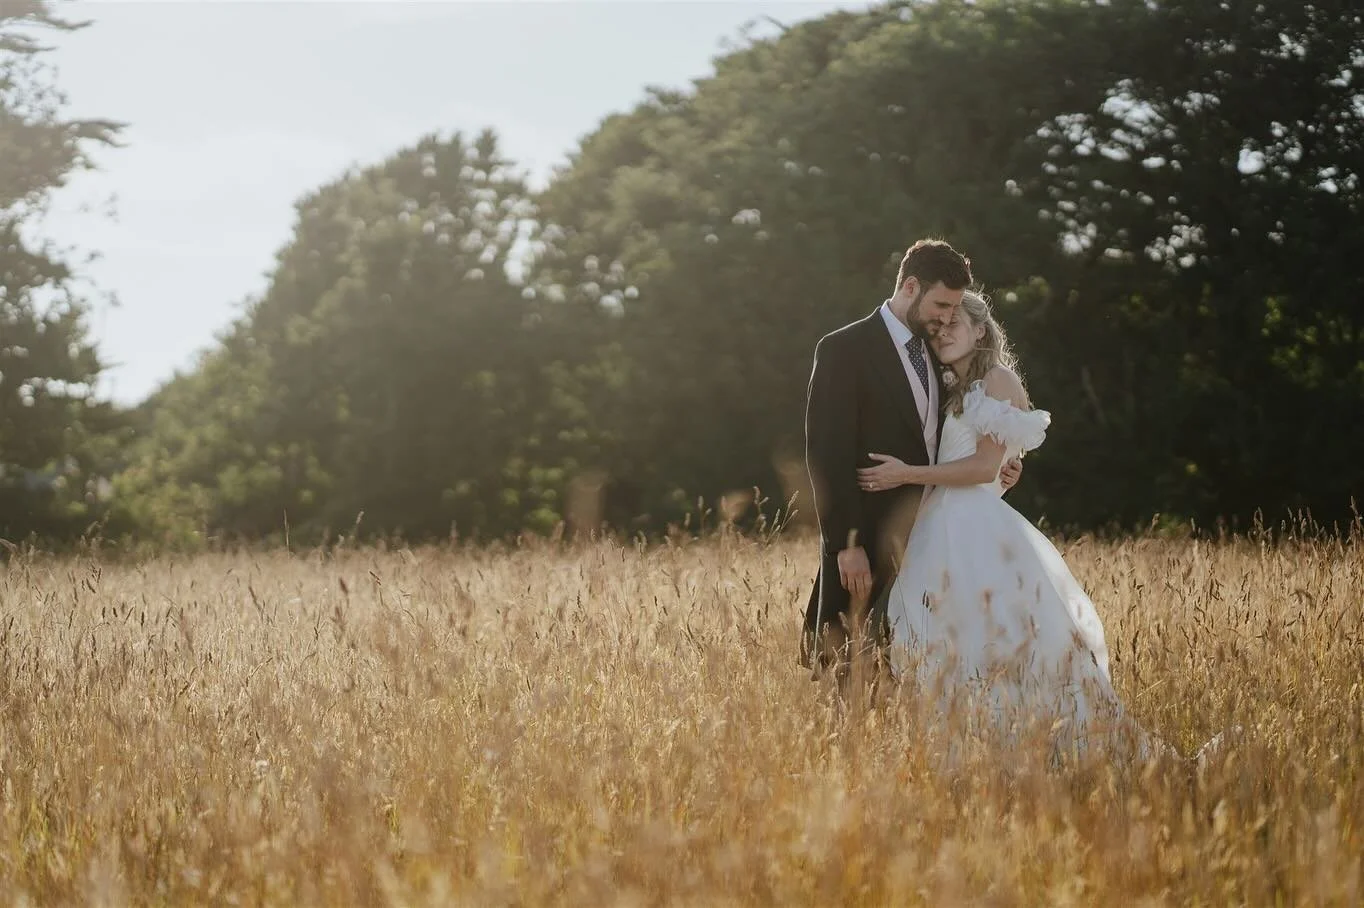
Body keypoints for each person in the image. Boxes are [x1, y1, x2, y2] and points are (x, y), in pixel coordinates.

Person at [857, 290, 1163, 759]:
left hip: (971, 531)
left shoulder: (997, 380)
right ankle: (970, 752)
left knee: (997, 643)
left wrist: (906, 474)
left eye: (954, 324)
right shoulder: (950, 384)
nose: (943, 334)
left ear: (980, 330)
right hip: (940, 526)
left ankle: (1037, 750)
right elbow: (990, 468)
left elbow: (984, 467)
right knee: (950, 644)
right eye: (937, 328)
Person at [799, 240, 1021, 678]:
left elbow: (963, 436)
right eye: (941, 305)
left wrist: (1002, 468)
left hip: (932, 542)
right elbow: (826, 454)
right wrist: (847, 544)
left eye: (954, 308)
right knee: (847, 668)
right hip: (867, 540)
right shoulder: (845, 348)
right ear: (911, 287)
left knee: (911, 670)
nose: (947, 318)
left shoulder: (940, 352)